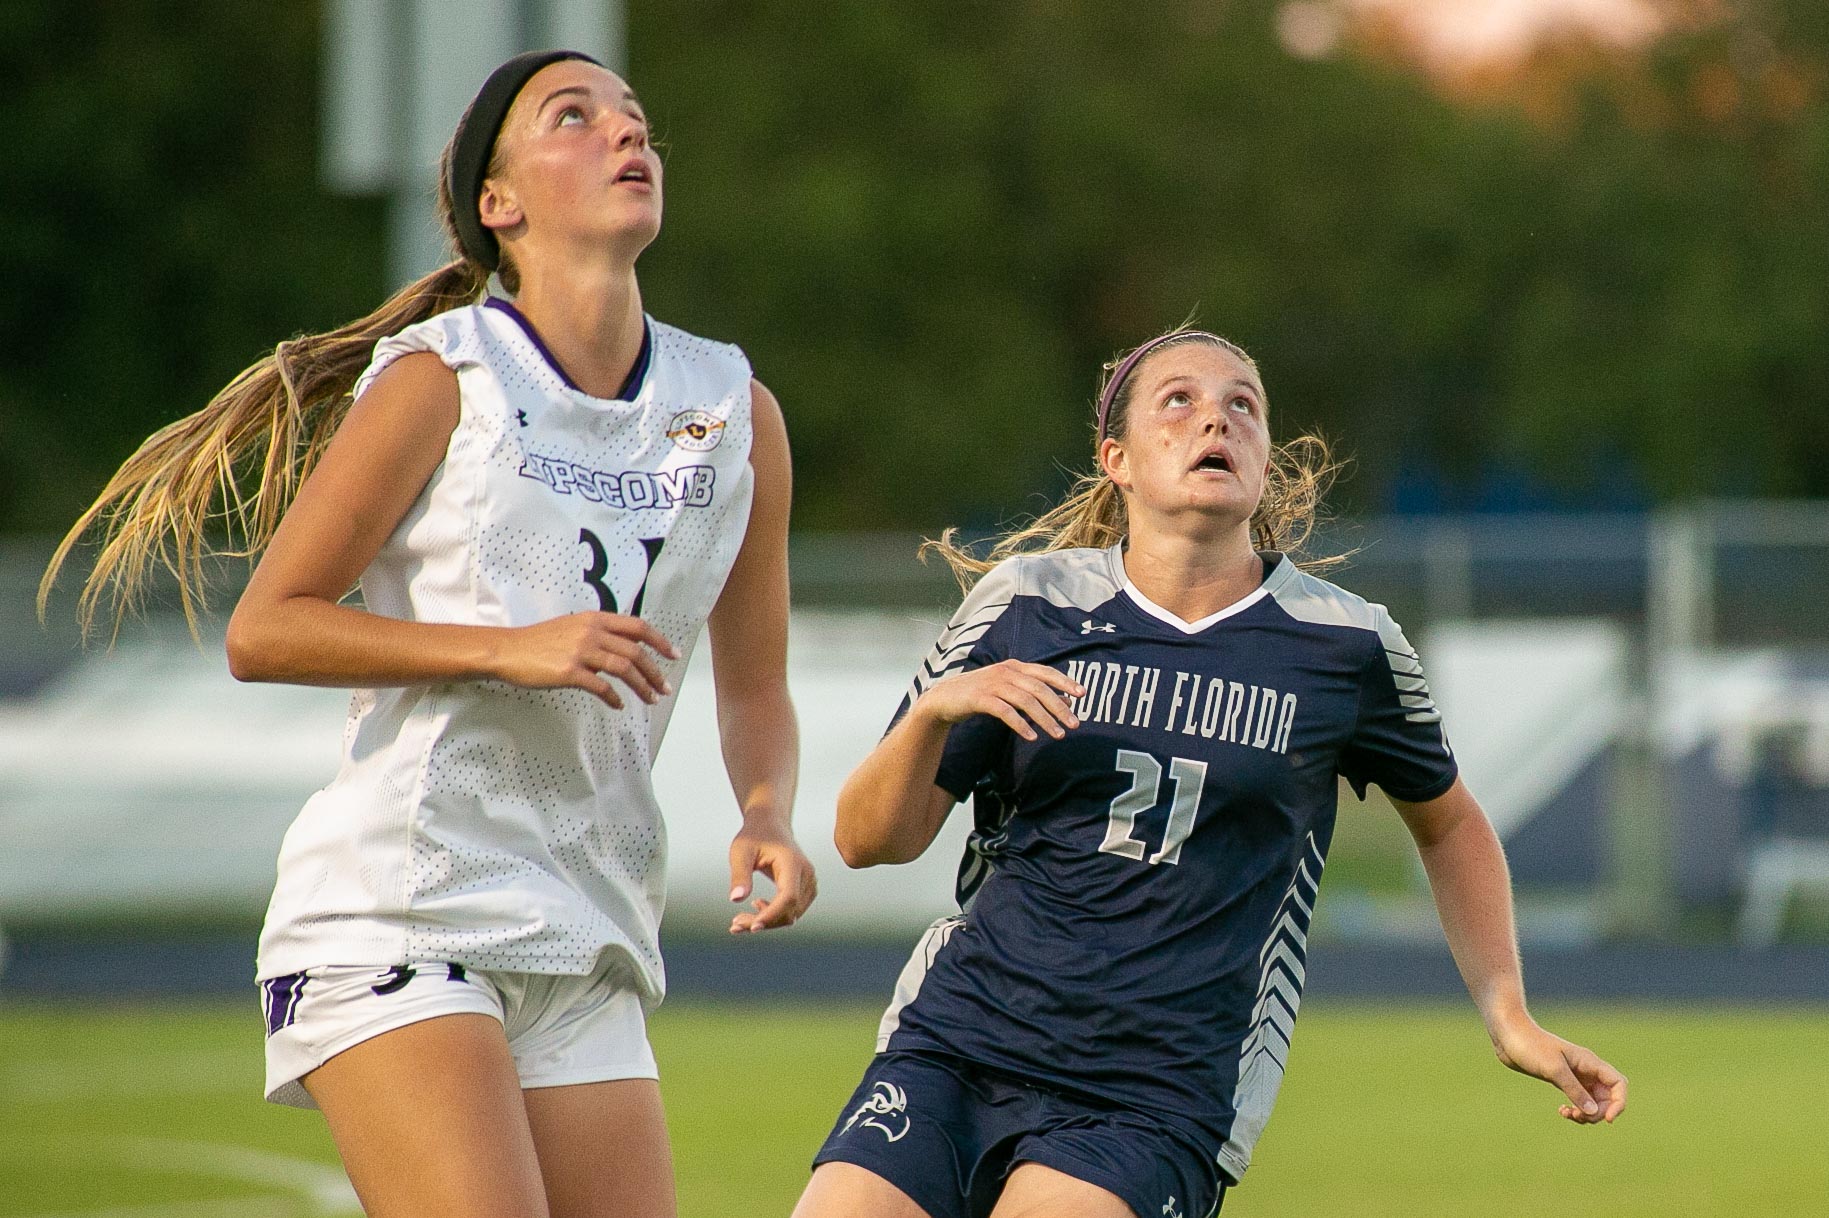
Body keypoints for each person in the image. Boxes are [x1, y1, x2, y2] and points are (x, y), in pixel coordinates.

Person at [41, 50, 815, 1218]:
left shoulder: (734, 411)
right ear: (496, 205)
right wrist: (508, 648)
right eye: (575, 117)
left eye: (635, 119)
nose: (625, 135)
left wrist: (765, 815)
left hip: (587, 924)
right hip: (402, 907)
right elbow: (268, 629)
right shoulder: (438, 381)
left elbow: (753, 682)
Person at [791, 328, 1626, 1218]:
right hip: (960, 1039)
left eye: (1242, 405)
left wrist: (1507, 1012)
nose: (1214, 420)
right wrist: (935, 709)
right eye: (1179, 400)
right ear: (1115, 457)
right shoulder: (1027, 601)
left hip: (1158, 1089)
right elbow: (865, 840)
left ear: (1266, 460)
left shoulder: (1345, 644)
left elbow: (1450, 823)